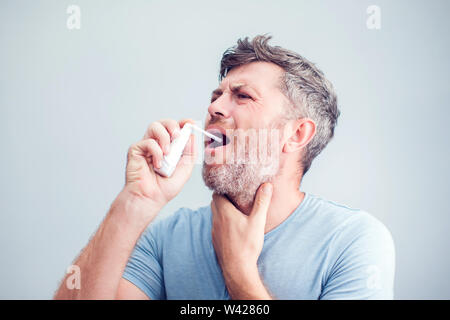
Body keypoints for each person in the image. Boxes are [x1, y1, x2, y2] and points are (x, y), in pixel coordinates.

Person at [54, 35, 395, 300]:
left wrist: (239, 271)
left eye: (242, 96)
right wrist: (136, 202)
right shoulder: (164, 239)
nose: (214, 106)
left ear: (296, 134)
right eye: (215, 95)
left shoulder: (354, 241)